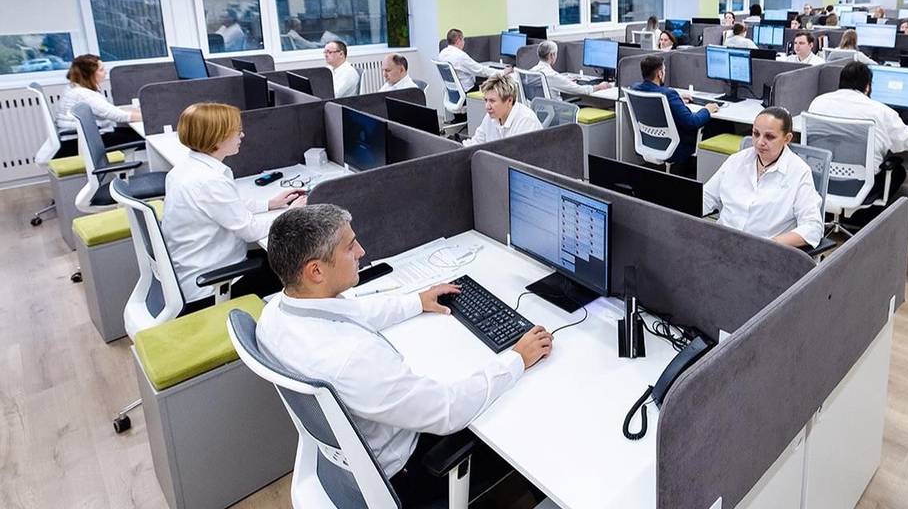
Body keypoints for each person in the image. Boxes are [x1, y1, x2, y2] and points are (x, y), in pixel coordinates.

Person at [254, 204, 553, 504]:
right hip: (407, 474)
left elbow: (353, 312)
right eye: (350, 246)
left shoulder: (275, 313)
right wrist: (517, 358)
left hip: (345, 465)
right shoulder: (353, 359)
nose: (361, 251)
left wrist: (417, 301)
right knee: (528, 433)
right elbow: (449, 410)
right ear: (316, 271)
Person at [163, 103, 306, 308]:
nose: (242, 135)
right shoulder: (209, 181)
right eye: (237, 131)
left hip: (194, 268)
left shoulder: (184, 170)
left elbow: (227, 205)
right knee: (296, 268)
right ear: (217, 137)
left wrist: (269, 203)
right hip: (212, 284)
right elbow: (250, 231)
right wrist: (291, 214)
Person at [807, 61, 908, 202]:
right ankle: (868, 214)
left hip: (819, 180)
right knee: (898, 172)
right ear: (867, 87)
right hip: (858, 186)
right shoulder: (880, 111)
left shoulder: (817, 103)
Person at [702, 108, 823, 249]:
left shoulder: (798, 172)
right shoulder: (737, 160)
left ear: (787, 139)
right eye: (756, 134)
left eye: (769, 137)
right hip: (721, 243)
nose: (760, 142)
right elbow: (706, 197)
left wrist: (771, 244)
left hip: (763, 252)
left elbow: (812, 227)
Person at [629, 55, 717, 176]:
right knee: (716, 125)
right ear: (660, 74)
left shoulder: (635, 89)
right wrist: (707, 110)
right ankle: (698, 176)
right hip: (675, 147)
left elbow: (657, 94)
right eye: (664, 70)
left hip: (650, 142)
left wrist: (677, 99)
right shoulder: (668, 94)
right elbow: (691, 122)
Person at [54, 54, 145, 153]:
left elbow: (110, 110)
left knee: (135, 132)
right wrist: (150, 117)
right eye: (101, 70)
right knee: (144, 137)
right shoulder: (83, 94)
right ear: (88, 75)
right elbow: (119, 116)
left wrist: (139, 112)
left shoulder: (75, 88)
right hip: (81, 144)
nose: (105, 72)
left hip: (84, 139)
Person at [463, 74, 541, 146]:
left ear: (509, 101)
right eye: (486, 100)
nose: (487, 106)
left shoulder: (526, 121)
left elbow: (520, 155)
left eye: (492, 101)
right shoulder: (491, 116)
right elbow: (475, 143)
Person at [532, 40, 610, 99]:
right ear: (552, 55)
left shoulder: (532, 72)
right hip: (556, 110)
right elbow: (580, 90)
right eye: (556, 54)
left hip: (540, 110)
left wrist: (564, 80)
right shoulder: (552, 76)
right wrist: (599, 86)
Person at [438, 28, 509, 92]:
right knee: (495, 87)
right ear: (459, 40)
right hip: (467, 90)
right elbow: (481, 70)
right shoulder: (460, 56)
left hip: (453, 91)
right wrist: (503, 72)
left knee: (486, 83)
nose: (464, 42)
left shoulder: (442, 54)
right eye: (463, 40)